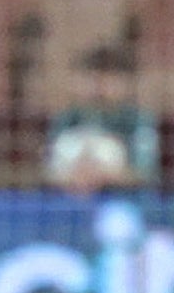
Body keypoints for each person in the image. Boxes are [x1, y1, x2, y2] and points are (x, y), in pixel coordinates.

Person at [44, 41, 160, 198]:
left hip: (123, 201)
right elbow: (48, 170)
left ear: (125, 84)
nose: (98, 89)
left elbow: (145, 172)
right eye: (91, 80)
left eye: (107, 81)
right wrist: (73, 177)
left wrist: (104, 176)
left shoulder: (137, 121)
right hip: (69, 199)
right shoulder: (66, 119)